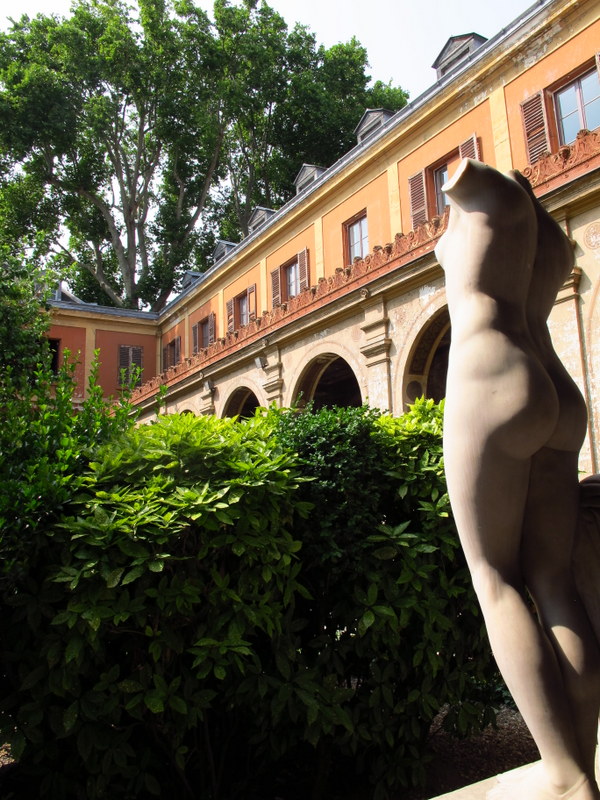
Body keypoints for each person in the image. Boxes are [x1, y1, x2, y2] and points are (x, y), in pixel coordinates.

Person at [435, 158, 600, 800]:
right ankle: (580, 762)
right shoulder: (553, 237)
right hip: (556, 385)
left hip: (488, 368)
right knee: (553, 580)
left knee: (493, 577)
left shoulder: (473, 183)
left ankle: (565, 779)